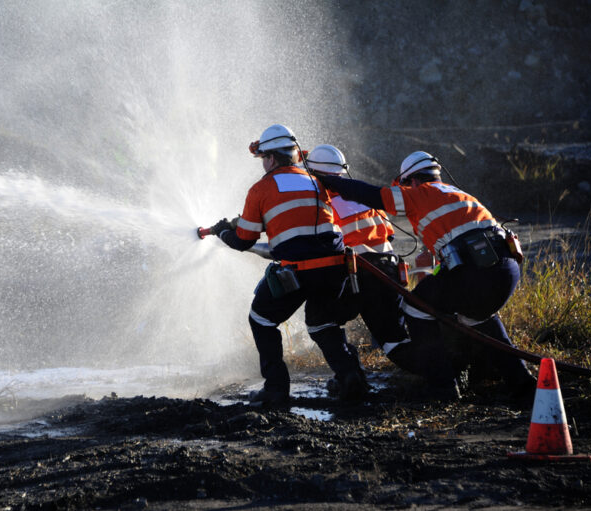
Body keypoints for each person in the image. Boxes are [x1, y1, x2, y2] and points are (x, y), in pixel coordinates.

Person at [316, 150, 537, 400]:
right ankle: (522, 383)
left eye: (404, 186)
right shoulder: (457, 194)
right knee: (478, 318)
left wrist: (327, 181)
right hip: (505, 269)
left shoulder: (421, 193)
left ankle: (443, 384)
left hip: (475, 270)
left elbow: (371, 195)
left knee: (416, 307)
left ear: (412, 181)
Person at [209, 124, 368, 406]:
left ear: (271, 158)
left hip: (300, 271)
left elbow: (244, 240)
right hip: (336, 269)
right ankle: (350, 376)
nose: (262, 164)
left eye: (263, 158)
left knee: (261, 319)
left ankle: (276, 389)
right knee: (322, 324)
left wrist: (222, 232)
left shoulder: (261, 188)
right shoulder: (315, 180)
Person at [304, 145, 456, 398]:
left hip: (356, 272)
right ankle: (447, 372)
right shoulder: (361, 197)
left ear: (315, 174)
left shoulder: (322, 202)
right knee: (394, 342)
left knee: (319, 320)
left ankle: (349, 375)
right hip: (387, 269)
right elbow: (389, 234)